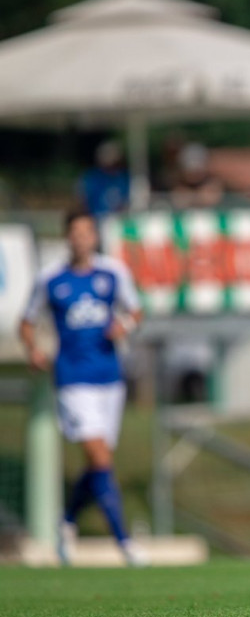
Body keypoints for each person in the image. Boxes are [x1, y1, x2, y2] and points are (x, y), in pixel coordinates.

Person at [19, 208, 146, 567]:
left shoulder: (113, 272)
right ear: (67, 237)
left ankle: (68, 520)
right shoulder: (50, 278)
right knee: (100, 458)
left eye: (87, 232)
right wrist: (33, 349)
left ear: (95, 237)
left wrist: (124, 325)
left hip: (110, 377)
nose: (81, 238)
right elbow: (27, 321)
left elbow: (136, 311)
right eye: (75, 232)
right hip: (73, 379)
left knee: (98, 465)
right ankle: (125, 544)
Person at [77, 140, 131, 219]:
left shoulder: (123, 177)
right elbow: (83, 200)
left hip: (118, 220)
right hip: (96, 219)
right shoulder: (91, 177)